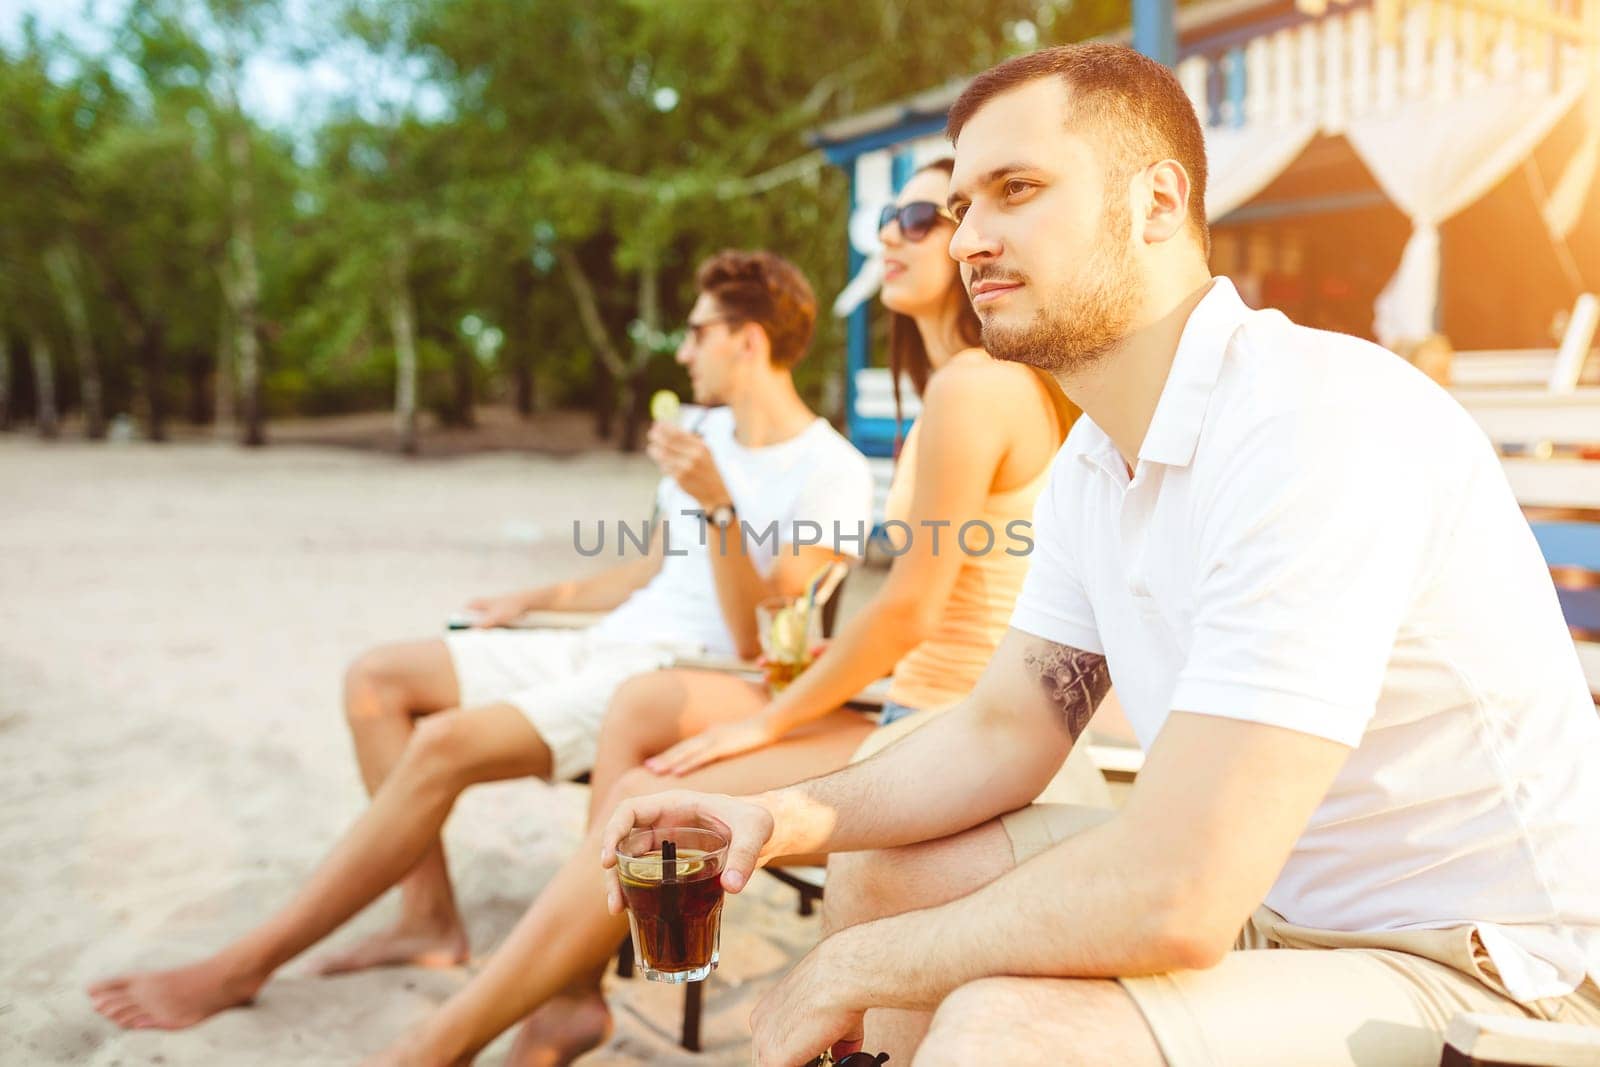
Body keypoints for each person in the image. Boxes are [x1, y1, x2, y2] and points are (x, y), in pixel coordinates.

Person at [600, 44, 1600, 1067]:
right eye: (959, 210)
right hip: (1273, 907)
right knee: (883, 875)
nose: (969, 239)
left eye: (1015, 191)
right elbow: (1003, 726)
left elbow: (1178, 889)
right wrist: (772, 816)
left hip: (1487, 972)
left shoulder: (1311, 417)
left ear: (1156, 201)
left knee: (1006, 1028)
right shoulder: (1095, 457)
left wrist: (856, 968)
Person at [359, 158, 1106, 1067]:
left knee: (646, 796)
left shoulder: (976, 386)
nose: (898, 235)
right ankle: (568, 989)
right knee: (642, 704)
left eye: (928, 214)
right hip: (909, 699)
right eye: (901, 216)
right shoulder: (947, 389)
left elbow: (908, 612)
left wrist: (764, 722)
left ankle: (440, 1044)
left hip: (947, 719)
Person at [86, 249, 875, 1032]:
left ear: (748, 339)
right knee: (377, 678)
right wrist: (538, 598)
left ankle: (244, 963)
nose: (682, 349)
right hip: (609, 639)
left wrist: (721, 501)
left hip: (684, 674)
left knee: (443, 743)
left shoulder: (830, 469)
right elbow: (658, 566)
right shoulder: (702, 429)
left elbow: (761, 632)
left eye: (697, 331)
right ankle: (427, 919)